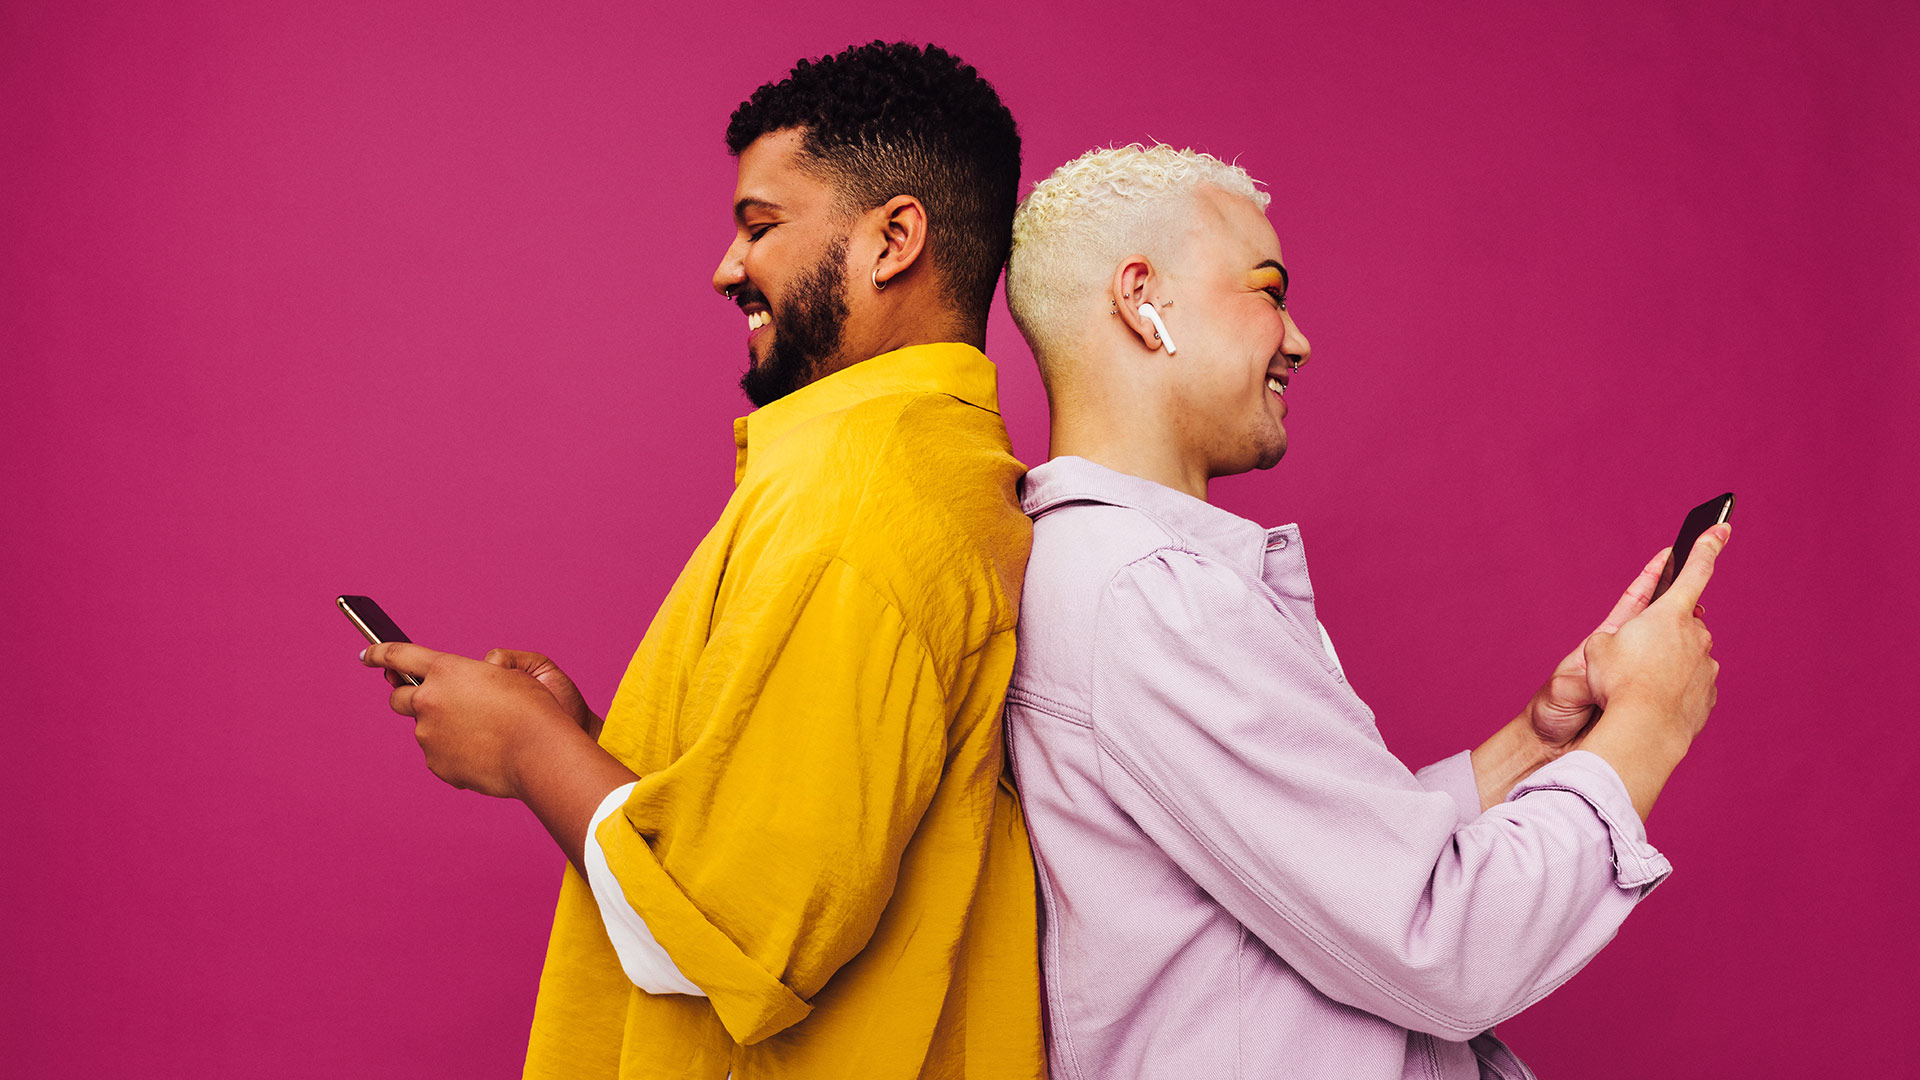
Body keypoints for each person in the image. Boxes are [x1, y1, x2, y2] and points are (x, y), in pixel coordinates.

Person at [360, 42, 1043, 1079]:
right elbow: (814, 839)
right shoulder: (928, 472)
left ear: (892, 239)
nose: (728, 267)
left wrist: (526, 755)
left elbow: (744, 939)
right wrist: (581, 739)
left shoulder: (855, 509)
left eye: (762, 226)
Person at [1000, 143, 1727, 1079]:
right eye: (1267, 290)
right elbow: (1440, 946)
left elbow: (1325, 864)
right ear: (1144, 299)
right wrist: (1648, 724)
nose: (1298, 339)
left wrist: (1543, 741)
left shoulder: (1118, 574)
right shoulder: (1154, 595)